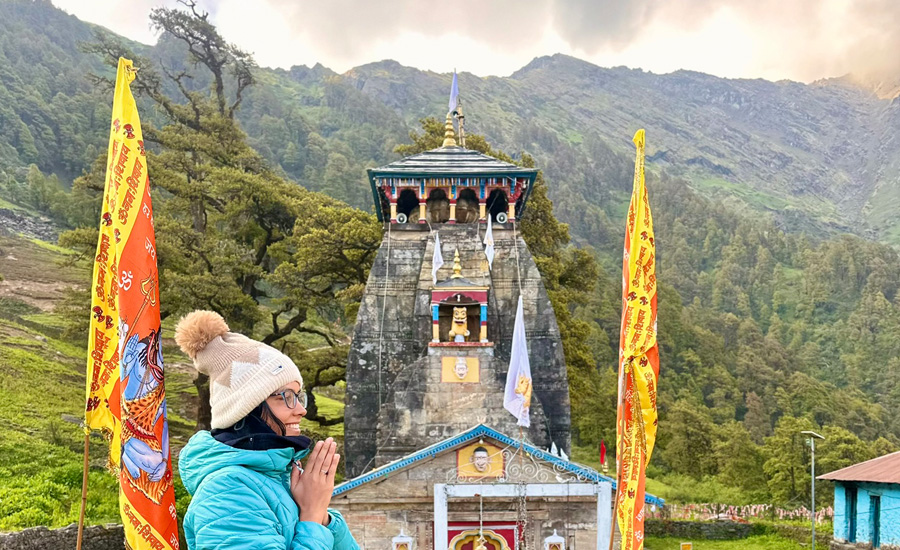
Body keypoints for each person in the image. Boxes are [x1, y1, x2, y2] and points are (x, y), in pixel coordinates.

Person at [175, 310, 359, 550]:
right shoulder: (226, 491)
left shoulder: (282, 481)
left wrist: (323, 517)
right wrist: (313, 517)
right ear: (247, 408)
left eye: (299, 396)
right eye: (287, 397)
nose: (302, 410)